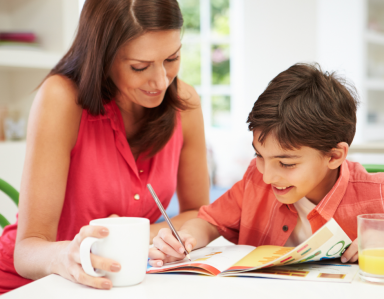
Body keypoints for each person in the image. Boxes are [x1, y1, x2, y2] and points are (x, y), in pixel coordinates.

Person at [0, 0, 210, 294]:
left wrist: (131, 235)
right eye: (140, 66)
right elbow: (26, 251)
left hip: (117, 282)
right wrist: (66, 255)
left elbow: (199, 213)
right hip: (35, 284)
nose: (161, 81)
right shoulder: (62, 99)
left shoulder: (184, 103)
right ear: (103, 57)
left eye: (172, 58)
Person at [148, 63, 384, 267]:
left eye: (286, 163)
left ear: (334, 156)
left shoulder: (377, 193)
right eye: (259, 155)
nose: (268, 176)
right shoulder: (255, 179)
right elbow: (209, 222)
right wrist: (185, 238)